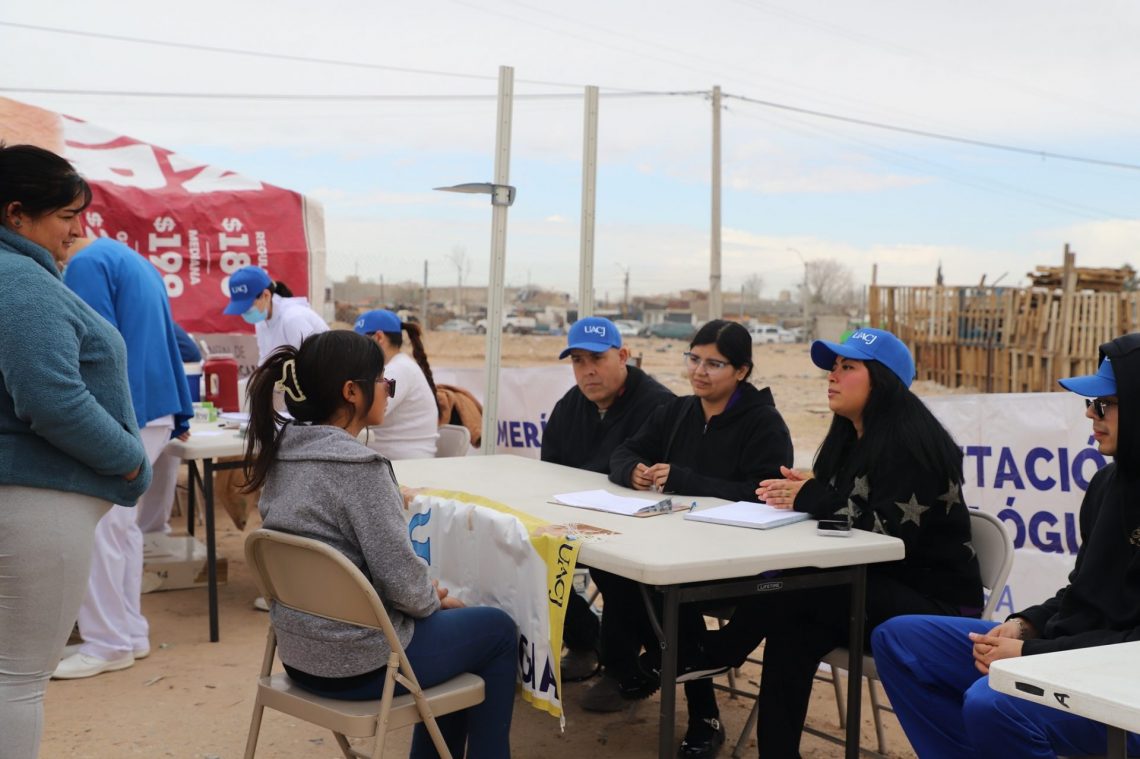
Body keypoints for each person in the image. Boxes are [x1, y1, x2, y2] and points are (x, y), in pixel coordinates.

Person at [705, 327, 983, 758]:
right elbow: (845, 517)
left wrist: (813, 496)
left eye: (847, 367)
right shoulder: (852, 439)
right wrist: (807, 492)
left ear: (882, 382)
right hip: (871, 591)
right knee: (793, 625)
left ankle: (720, 650)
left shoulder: (913, 446)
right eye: (833, 367)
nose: (832, 376)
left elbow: (885, 536)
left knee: (803, 589)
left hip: (934, 610)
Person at [242, 330, 518, 758]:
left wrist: (423, 600)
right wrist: (430, 599)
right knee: (497, 630)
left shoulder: (280, 457)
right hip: (362, 665)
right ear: (352, 392)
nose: (388, 390)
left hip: (298, 658)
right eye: (382, 381)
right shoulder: (360, 469)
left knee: (448, 631)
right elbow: (406, 587)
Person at [872, 335, 1140, 759]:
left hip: (1122, 690)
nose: (1090, 413)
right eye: (1091, 403)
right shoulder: (1108, 482)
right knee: (899, 639)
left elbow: (1133, 646)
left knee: (993, 703)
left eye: (1104, 404)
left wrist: (1031, 655)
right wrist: (1025, 625)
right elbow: (1082, 593)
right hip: (1065, 654)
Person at [0, 144, 151, 756]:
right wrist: (129, 459)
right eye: (66, 215)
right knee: (17, 680)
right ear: (16, 214)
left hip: (27, 497)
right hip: (35, 502)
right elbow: (53, 400)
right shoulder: (20, 282)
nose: (77, 230)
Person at [598, 319, 794, 758]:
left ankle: (697, 706)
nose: (699, 371)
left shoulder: (764, 424)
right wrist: (632, 471)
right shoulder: (678, 411)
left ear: (741, 371)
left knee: (668, 588)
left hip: (739, 560)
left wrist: (685, 480)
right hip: (677, 546)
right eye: (694, 359)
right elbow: (625, 450)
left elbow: (765, 493)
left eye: (714, 364)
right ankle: (662, 662)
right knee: (616, 570)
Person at [53, 236, 195, 679]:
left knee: (97, 527)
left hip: (126, 410)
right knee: (120, 527)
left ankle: (108, 642)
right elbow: (173, 341)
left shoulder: (87, 266)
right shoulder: (134, 261)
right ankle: (129, 633)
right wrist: (180, 410)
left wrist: (99, 424)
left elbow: (94, 350)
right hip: (152, 407)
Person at [540, 317, 675, 682]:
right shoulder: (570, 404)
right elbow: (548, 469)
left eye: (597, 358)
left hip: (638, 531)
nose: (588, 370)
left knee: (616, 572)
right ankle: (585, 639)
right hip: (574, 521)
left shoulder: (659, 405)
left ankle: (622, 671)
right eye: (578, 361)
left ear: (623, 356)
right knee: (521, 549)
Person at [224, 264, 327, 611]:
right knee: (280, 504)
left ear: (266, 295)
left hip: (314, 421)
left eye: (249, 305)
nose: (246, 314)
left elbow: (309, 380)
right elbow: (269, 373)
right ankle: (285, 586)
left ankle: (297, 590)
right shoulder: (264, 321)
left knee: (301, 507)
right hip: (293, 421)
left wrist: (285, 419)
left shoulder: (295, 319)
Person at [353, 309, 441, 459]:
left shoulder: (398, 370)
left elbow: (362, 414)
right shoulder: (398, 365)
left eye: (358, 342)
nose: (355, 349)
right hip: (395, 458)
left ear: (379, 337)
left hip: (405, 463)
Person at [223, 264, 328, 364]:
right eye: (241, 309)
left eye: (248, 306)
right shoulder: (261, 322)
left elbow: (311, 363)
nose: (245, 312)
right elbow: (265, 363)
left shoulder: (292, 318)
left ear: (266, 295)